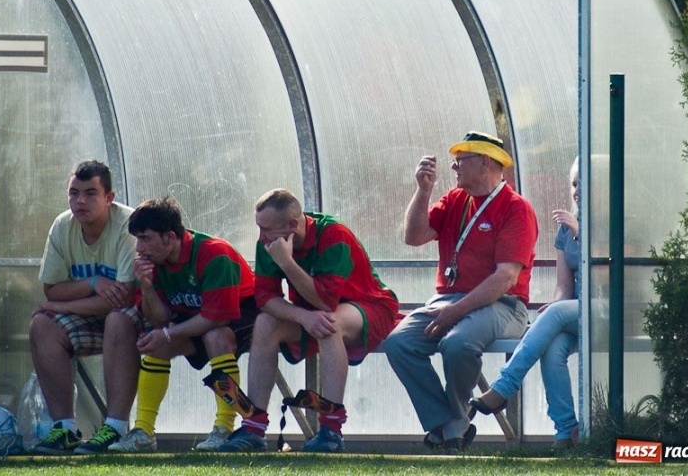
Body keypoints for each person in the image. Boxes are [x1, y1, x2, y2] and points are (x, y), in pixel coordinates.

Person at [382, 131, 538, 451]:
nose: (453, 167)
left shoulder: (515, 208)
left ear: (484, 163)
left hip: (503, 305)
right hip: (448, 300)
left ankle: (452, 428)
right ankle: (450, 423)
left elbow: (505, 278)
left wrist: (455, 311)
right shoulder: (456, 199)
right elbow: (414, 236)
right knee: (399, 342)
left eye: (460, 160)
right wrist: (423, 191)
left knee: (458, 343)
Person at [217, 188, 401, 453]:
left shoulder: (334, 235)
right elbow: (265, 298)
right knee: (265, 323)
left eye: (266, 229)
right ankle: (253, 427)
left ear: (292, 225)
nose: (261, 236)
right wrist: (302, 316)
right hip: (314, 312)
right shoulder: (269, 242)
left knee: (329, 323)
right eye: (259, 228)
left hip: (370, 307)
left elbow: (326, 302)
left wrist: (287, 263)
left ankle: (331, 430)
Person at [106, 196, 258, 453]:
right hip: (201, 318)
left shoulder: (214, 254)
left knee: (215, 337)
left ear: (170, 237)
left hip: (244, 316)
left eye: (145, 238)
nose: (139, 248)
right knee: (156, 345)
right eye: (137, 239)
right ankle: (143, 432)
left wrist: (167, 334)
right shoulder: (153, 263)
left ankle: (224, 429)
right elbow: (160, 318)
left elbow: (217, 318)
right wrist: (146, 287)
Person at [29, 160, 142, 455]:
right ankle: (65, 429)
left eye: (91, 193)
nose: (80, 201)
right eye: (74, 193)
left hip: (137, 321)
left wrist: (59, 304)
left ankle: (115, 428)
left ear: (109, 198)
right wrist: (93, 282)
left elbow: (124, 297)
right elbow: (52, 288)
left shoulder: (128, 225)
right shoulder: (62, 225)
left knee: (117, 319)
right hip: (92, 316)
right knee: (42, 325)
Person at [470, 156, 580, 448]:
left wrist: (581, 234)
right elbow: (564, 287)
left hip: (609, 308)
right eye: (574, 184)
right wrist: (556, 306)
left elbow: (607, 279)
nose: (577, 191)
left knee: (554, 315)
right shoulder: (564, 230)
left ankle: (504, 387)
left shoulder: (611, 225)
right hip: (577, 312)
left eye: (584, 184)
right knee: (552, 349)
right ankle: (566, 432)